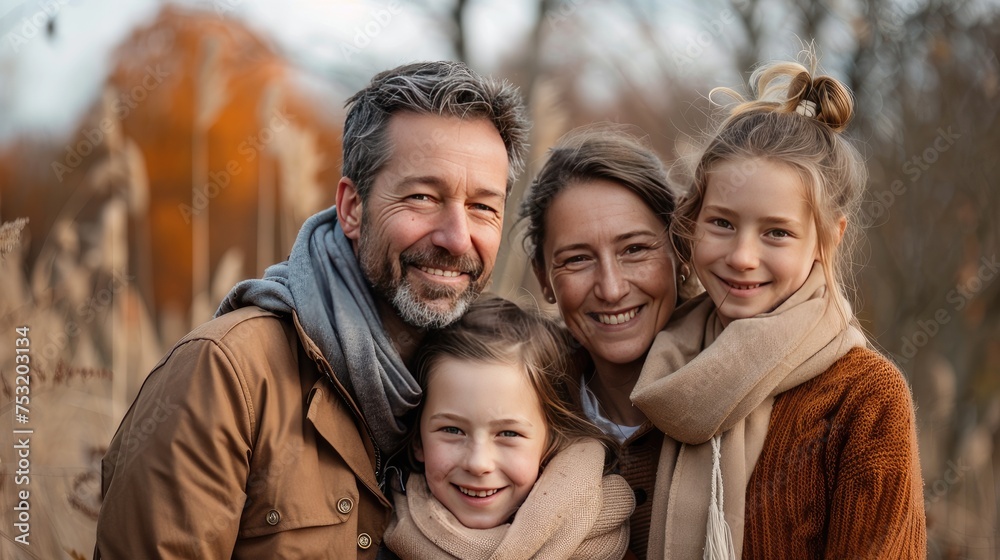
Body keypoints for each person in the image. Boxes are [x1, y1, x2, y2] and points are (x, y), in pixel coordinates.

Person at [95, 61, 529, 559]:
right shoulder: (226, 375)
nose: (457, 238)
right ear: (351, 209)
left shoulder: (504, 375)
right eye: (423, 197)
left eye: (482, 207)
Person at [630, 53, 927, 558]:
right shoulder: (656, 371)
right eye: (722, 222)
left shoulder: (866, 399)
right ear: (693, 221)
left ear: (826, 240)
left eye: (777, 232)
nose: (743, 257)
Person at [519, 126, 685, 559]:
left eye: (634, 249)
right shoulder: (517, 413)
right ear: (544, 279)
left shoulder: (751, 400)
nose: (611, 289)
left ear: (679, 253)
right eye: (577, 259)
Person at [382, 295, 634, 560]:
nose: (478, 464)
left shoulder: (603, 544)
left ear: (550, 441)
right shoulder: (374, 532)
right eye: (452, 430)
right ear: (418, 441)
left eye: (508, 433)